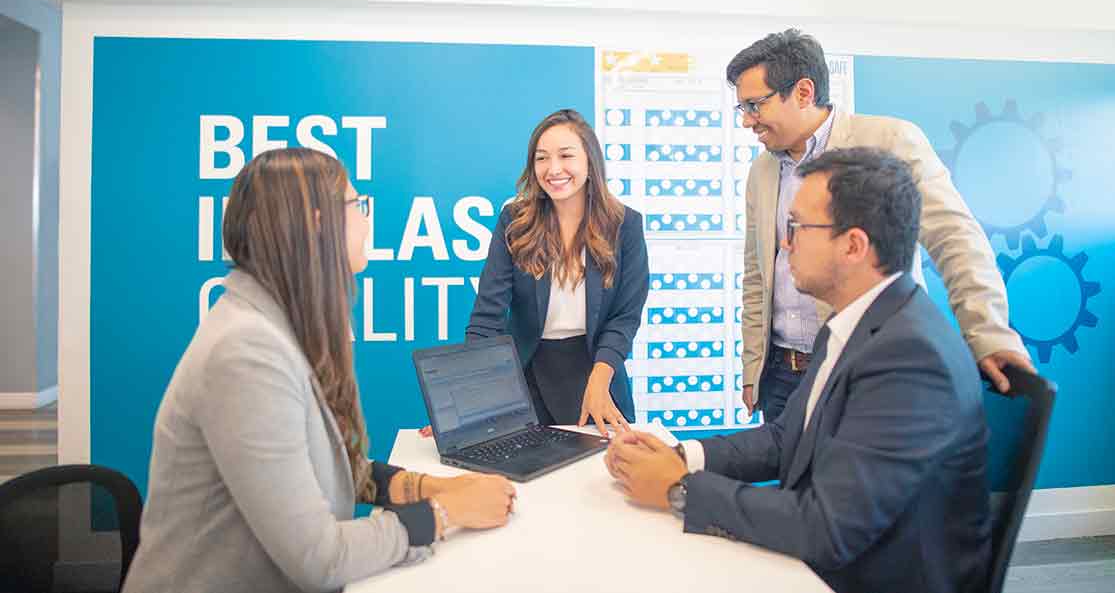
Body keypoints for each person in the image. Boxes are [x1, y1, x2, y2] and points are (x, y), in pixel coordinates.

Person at [123, 148, 516, 593]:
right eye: (357, 206)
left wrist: (427, 488)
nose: (367, 222)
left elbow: (318, 466)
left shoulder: (276, 324)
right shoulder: (246, 354)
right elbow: (320, 558)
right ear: (315, 223)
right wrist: (448, 515)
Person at [605, 147, 991, 593]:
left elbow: (828, 526)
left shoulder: (910, 356)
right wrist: (681, 456)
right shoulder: (854, 323)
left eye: (798, 227)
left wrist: (681, 490)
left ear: (853, 245)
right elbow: (787, 436)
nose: (785, 243)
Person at [730, 29, 1033, 422]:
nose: (748, 122)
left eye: (755, 105)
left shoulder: (888, 140)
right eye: (743, 109)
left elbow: (954, 238)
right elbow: (758, 274)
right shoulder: (763, 170)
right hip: (781, 376)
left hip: (867, 367)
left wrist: (988, 332)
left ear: (803, 92)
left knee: (855, 482)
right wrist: (753, 366)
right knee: (788, 478)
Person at [438, 109, 648, 436]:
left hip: (598, 372)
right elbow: (487, 315)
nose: (553, 169)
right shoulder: (514, 221)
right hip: (524, 375)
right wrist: (467, 400)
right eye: (541, 158)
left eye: (566, 155)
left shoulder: (625, 225)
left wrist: (600, 377)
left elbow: (624, 316)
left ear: (590, 162)